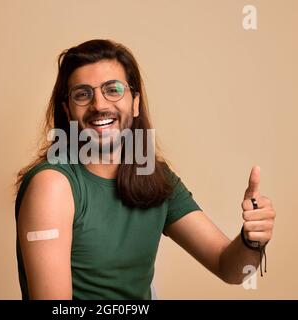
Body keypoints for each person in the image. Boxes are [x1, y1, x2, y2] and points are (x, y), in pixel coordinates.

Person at [14, 39, 276, 300]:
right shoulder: (53, 185)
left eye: (113, 89)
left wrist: (252, 238)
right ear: (68, 111)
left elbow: (227, 267)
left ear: (135, 102)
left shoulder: (155, 177)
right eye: (82, 94)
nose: (99, 105)